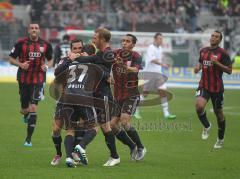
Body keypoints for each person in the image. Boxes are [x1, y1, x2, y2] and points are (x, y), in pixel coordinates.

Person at [69, 28, 120, 167]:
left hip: (103, 95)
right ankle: (113, 156)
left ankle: (80, 148)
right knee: (104, 127)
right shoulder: (101, 53)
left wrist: (78, 58)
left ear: (103, 39)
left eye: (95, 38)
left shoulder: (108, 53)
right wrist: (77, 57)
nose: (93, 40)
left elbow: (100, 70)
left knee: (101, 125)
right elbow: (91, 60)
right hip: (96, 95)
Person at [50, 40, 98, 167]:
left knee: (77, 127)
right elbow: (57, 72)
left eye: (80, 48)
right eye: (75, 48)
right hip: (64, 97)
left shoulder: (87, 60)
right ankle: (59, 153)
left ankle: (72, 156)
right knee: (56, 129)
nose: (78, 50)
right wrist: (69, 60)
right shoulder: (65, 60)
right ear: (71, 50)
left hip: (79, 98)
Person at [9, 23, 53, 147]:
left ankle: (28, 139)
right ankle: (26, 114)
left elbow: (50, 60)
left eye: (36, 28)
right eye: (32, 28)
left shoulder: (46, 45)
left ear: (39, 31)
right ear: (28, 30)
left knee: (34, 107)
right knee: (24, 109)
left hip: (38, 79)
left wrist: (47, 66)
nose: (34, 30)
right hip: (23, 79)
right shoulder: (20, 43)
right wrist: (21, 64)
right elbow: (11, 59)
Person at [194, 30, 232, 149]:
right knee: (199, 106)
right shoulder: (203, 51)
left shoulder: (223, 53)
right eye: (212, 36)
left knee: (219, 113)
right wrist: (197, 68)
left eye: (216, 37)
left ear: (220, 40)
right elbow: (200, 63)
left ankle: (220, 138)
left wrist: (217, 64)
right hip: (204, 85)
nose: (213, 38)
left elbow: (229, 71)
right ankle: (207, 126)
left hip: (217, 88)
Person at [111, 34, 146, 160]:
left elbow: (135, 70)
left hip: (131, 94)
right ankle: (132, 146)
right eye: (123, 41)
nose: (124, 43)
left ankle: (141, 147)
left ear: (133, 44)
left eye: (127, 41)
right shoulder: (114, 53)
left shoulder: (136, 56)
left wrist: (124, 66)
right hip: (117, 96)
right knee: (112, 125)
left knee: (125, 121)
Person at [135, 32, 176, 119]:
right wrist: (163, 64)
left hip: (158, 74)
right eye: (159, 38)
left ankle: (166, 114)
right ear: (155, 39)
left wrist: (164, 62)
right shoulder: (151, 48)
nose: (161, 40)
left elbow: (159, 58)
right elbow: (152, 60)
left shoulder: (160, 48)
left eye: (162, 38)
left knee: (163, 91)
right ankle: (136, 111)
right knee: (145, 94)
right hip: (149, 74)